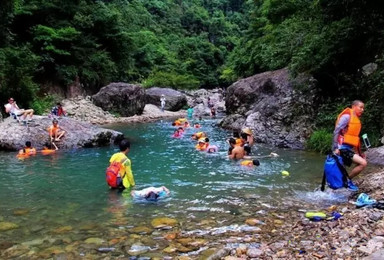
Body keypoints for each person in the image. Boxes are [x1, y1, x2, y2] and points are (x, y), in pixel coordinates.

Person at [333, 100, 367, 185]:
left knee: (342, 171)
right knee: (363, 163)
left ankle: (342, 183)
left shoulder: (356, 120)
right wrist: (335, 148)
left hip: (348, 149)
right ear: (354, 106)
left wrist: (359, 153)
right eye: (361, 107)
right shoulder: (347, 117)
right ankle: (347, 181)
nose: (362, 110)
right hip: (342, 148)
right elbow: (336, 130)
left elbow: (355, 139)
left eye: (363, 108)